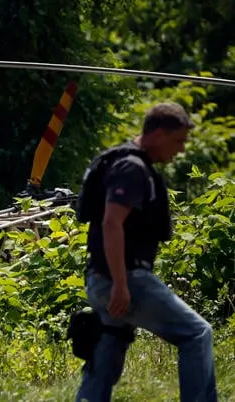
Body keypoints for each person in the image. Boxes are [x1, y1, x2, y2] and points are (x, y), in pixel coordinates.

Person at [73, 102, 217, 402]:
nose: (180, 150)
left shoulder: (126, 163)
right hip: (122, 278)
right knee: (196, 334)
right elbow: (112, 223)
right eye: (178, 141)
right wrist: (122, 285)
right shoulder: (132, 168)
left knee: (110, 341)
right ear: (159, 134)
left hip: (101, 278)